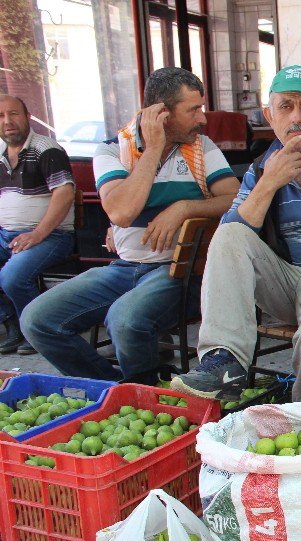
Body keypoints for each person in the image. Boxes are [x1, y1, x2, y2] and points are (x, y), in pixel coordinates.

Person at [172, 65, 301, 403]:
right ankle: (224, 361)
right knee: (228, 236)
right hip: (283, 279)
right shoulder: (261, 167)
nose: (297, 117)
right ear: (270, 116)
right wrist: (269, 182)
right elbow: (234, 240)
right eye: (286, 107)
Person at [22, 68, 239, 384]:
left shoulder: (201, 147)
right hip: (124, 268)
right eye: (194, 109)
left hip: (180, 272)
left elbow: (234, 197)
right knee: (37, 320)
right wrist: (153, 149)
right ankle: (120, 388)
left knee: (124, 320)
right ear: (161, 114)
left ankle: (142, 391)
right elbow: (122, 213)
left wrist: (184, 207)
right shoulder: (112, 150)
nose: (203, 119)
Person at [0, 95, 75, 355]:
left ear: (28, 117)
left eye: (13, 114)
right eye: (1, 116)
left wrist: (37, 234)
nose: (7, 121)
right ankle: (12, 324)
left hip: (52, 236)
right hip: (6, 234)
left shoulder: (46, 149)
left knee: (12, 277)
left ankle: (38, 331)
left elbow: (64, 193)